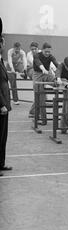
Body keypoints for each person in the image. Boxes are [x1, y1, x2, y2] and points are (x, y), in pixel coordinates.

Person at [31, 42, 59, 124]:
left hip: (47, 73)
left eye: (49, 52)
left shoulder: (50, 56)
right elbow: (38, 62)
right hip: (38, 74)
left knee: (57, 81)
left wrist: (60, 72)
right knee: (40, 97)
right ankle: (43, 120)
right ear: (42, 50)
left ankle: (65, 85)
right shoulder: (36, 55)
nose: (47, 53)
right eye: (45, 51)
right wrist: (43, 69)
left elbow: (57, 64)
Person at [0, 35, 12, 174]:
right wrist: (1, 104)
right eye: (3, 43)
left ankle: (1, 163)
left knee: (3, 137)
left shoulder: (1, 60)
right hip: (1, 105)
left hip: (4, 105)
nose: (4, 45)